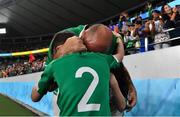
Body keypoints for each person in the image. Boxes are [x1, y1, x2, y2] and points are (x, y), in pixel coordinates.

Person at [46, 24, 137, 112]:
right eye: (90, 52)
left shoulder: (110, 40)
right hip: (71, 99)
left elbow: (118, 64)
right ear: (82, 37)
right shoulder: (61, 41)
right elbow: (49, 85)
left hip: (104, 98)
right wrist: (62, 52)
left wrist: (130, 86)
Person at [31, 31, 126, 116]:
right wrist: (118, 39)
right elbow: (120, 56)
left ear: (58, 48)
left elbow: (34, 97)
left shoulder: (54, 65)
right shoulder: (101, 59)